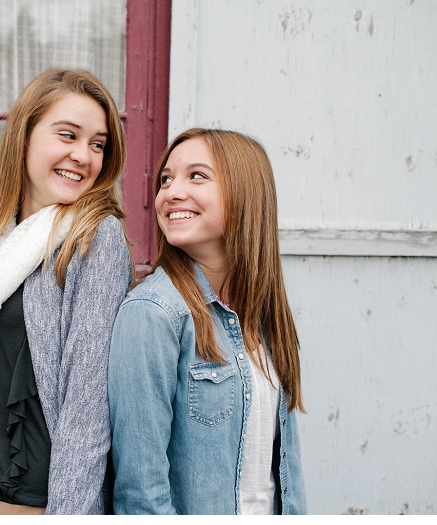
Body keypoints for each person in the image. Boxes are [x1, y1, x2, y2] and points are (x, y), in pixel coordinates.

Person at [0, 68, 133, 515]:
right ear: (24, 135)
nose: (83, 155)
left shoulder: (94, 239)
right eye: (68, 135)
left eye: (97, 144)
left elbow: (87, 412)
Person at [108, 128, 306, 515]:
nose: (171, 192)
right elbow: (140, 493)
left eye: (195, 176)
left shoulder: (265, 316)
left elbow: (282, 470)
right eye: (166, 179)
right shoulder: (152, 314)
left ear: (246, 193)